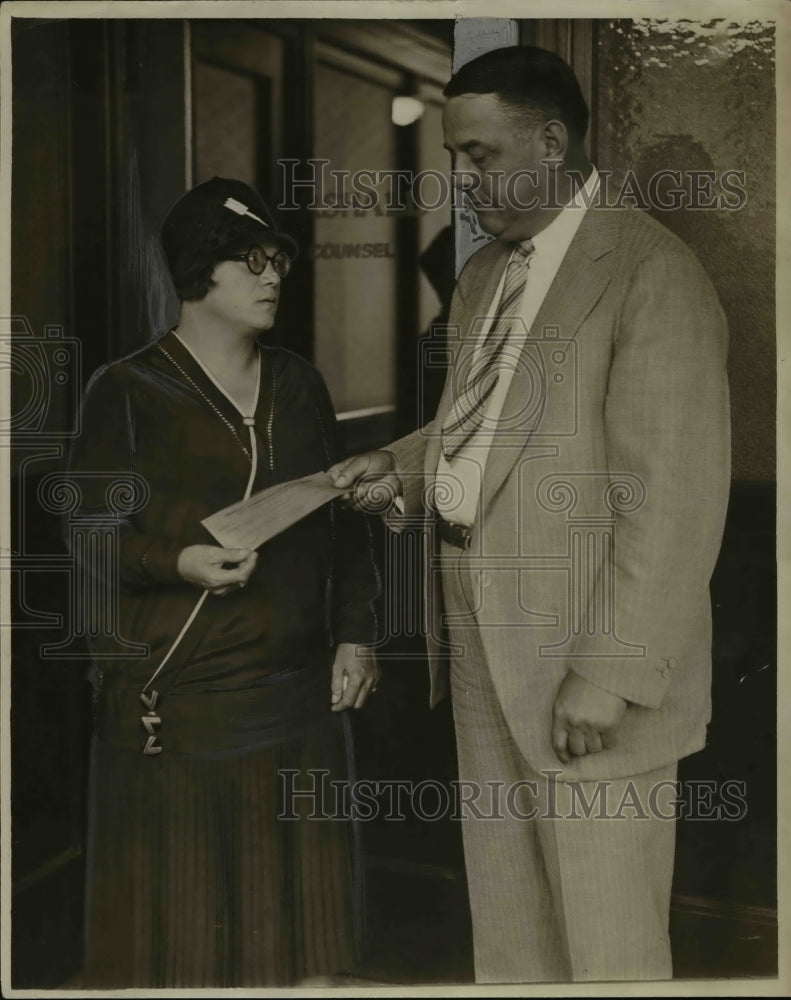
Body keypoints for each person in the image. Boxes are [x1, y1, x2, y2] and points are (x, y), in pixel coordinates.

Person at [331, 46, 730, 983]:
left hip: (588, 655)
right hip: (477, 633)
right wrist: (395, 466)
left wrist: (609, 674)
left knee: (605, 939)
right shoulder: (483, 277)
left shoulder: (650, 272)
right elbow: (482, 432)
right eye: (455, 157)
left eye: (480, 156)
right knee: (510, 927)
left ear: (551, 142)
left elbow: (674, 497)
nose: (461, 179)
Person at [68, 176, 380, 988]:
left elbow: (343, 522)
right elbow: (88, 539)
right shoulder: (127, 390)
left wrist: (355, 633)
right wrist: (179, 561)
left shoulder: (300, 382)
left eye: (276, 260)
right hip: (189, 707)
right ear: (196, 274)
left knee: (308, 948)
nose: (273, 276)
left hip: (302, 700)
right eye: (250, 262)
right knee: (190, 948)